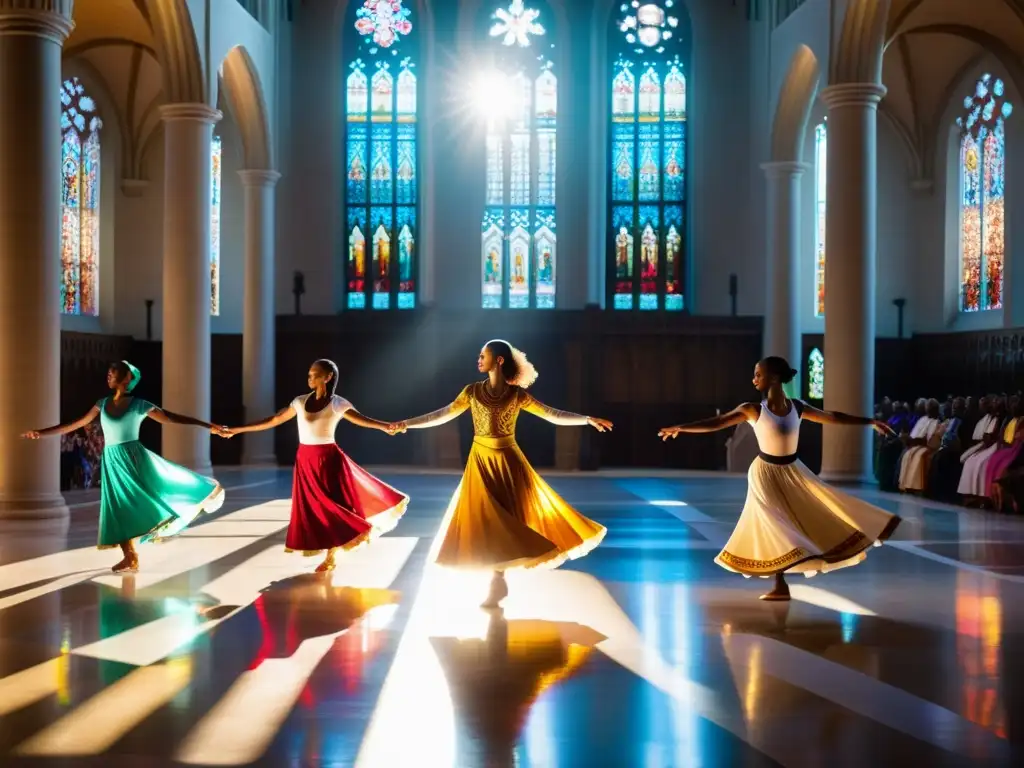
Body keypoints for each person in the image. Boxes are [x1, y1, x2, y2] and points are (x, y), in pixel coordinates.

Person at [390, 340, 613, 608]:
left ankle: (498, 581)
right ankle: (496, 582)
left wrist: (586, 419)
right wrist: (407, 424)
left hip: (508, 461)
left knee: (508, 519)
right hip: (480, 461)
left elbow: (552, 415)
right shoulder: (472, 392)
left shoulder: (517, 395)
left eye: (483, 355)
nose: (478, 359)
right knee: (485, 519)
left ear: (499, 361)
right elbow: (443, 414)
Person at [657, 356, 900, 601]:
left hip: (792, 470)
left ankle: (840, 541)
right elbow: (718, 422)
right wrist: (682, 427)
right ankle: (779, 583)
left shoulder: (798, 407)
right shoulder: (752, 409)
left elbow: (832, 417)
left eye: (758, 375)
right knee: (776, 521)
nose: (754, 380)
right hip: (765, 472)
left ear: (773, 378)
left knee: (820, 508)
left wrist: (869, 422)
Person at [21, 361, 227, 573]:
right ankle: (130, 556)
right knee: (117, 507)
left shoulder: (139, 404)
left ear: (127, 378)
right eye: (108, 372)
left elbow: (171, 418)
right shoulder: (102, 403)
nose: (108, 375)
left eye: (114, 372)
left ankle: (189, 502)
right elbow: (77, 422)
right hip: (112, 459)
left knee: (145, 496)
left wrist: (208, 425)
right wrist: (42, 433)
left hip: (133, 457)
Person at [223, 359, 407, 573]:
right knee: (313, 508)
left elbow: (362, 420)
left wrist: (387, 427)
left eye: (314, 374)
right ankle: (330, 551)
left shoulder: (338, 403)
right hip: (305, 460)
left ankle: (332, 555)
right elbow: (272, 420)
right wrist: (237, 430)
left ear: (327, 377)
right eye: (309, 374)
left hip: (329, 460)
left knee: (334, 506)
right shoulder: (299, 402)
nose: (309, 378)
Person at [959, 396, 1008, 506]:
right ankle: (972, 495)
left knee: (982, 463)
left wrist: (991, 438)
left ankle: (983, 496)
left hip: (996, 446)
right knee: (970, 462)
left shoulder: (1003, 419)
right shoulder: (990, 418)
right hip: (987, 445)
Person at [897, 398, 942, 493]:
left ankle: (916, 486)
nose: (928, 411)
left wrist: (916, 441)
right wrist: (908, 438)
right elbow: (915, 434)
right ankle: (906, 484)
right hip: (917, 444)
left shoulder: (937, 421)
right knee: (907, 454)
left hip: (928, 446)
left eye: (930, 409)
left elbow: (931, 440)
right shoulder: (922, 419)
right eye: (927, 408)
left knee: (919, 456)